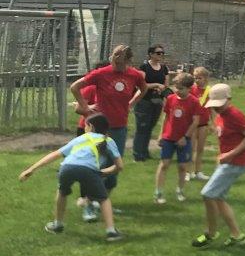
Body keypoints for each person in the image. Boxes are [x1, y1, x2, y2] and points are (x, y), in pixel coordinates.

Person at [19, 113, 123, 242]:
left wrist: (31, 169)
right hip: (89, 170)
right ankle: (111, 231)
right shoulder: (108, 140)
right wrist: (102, 173)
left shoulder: (81, 138)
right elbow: (119, 166)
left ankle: (57, 224)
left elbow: (55, 155)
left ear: (90, 126)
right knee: (103, 199)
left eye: (85, 125)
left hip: (67, 167)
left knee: (62, 192)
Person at [69, 45, 148, 176]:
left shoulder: (134, 75)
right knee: (95, 161)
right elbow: (74, 87)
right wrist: (85, 106)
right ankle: (92, 192)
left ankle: (102, 192)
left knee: (115, 165)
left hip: (119, 126)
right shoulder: (101, 73)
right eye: (114, 56)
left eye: (119, 58)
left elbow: (143, 89)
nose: (115, 61)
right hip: (99, 127)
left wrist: (132, 103)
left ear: (128, 61)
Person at [192, 83, 245, 249]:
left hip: (236, 162)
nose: (217, 108)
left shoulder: (235, 115)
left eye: (220, 104)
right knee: (218, 197)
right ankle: (237, 235)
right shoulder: (220, 115)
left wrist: (229, 154)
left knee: (208, 194)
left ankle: (211, 233)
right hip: (228, 161)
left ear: (229, 99)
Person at [154, 73, 206, 204]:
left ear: (189, 88)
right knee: (164, 164)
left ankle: (180, 190)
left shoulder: (194, 102)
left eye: (181, 88)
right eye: (176, 87)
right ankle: (158, 192)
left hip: (184, 139)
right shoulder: (171, 99)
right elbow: (165, 117)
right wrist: (161, 134)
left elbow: (195, 122)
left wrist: (185, 137)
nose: (177, 90)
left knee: (182, 166)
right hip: (169, 137)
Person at [132, 44, 170, 161]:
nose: (161, 55)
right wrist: (155, 85)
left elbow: (166, 84)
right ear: (151, 54)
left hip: (157, 101)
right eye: (158, 53)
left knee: (150, 127)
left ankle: (145, 152)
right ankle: (138, 154)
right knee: (142, 127)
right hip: (144, 101)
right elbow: (140, 84)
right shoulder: (144, 67)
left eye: (162, 53)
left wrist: (162, 88)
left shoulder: (164, 68)